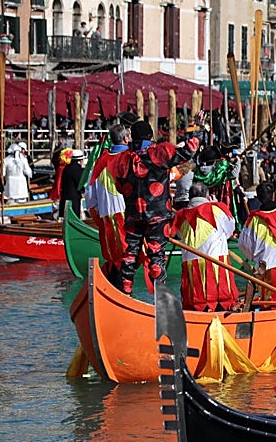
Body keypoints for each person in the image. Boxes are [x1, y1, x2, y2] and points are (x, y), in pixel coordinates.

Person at [112, 119, 201, 294]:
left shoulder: (122, 160)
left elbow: (120, 187)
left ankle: (125, 294)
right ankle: (161, 298)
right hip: (158, 216)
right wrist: (198, 132)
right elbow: (187, 152)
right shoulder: (159, 152)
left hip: (133, 216)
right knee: (156, 257)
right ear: (150, 137)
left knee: (129, 257)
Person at [169, 183, 239, 312]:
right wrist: (217, 204)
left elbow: (178, 234)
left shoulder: (180, 216)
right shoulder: (217, 209)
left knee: (196, 304)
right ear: (207, 195)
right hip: (216, 265)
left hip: (192, 269)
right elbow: (230, 230)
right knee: (221, 302)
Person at [86, 124, 131, 288]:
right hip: (127, 218)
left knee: (113, 260)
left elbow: (90, 198)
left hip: (106, 219)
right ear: (126, 138)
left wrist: (101, 218)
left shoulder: (99, 162)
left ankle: (113, 294)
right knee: (129, 259)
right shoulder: (131, 158)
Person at [59, 149, 86, 220]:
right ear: (80, 160)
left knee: (67, 216)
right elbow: (80, 184)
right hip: (74, 198)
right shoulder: (78, 170)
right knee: (74, 217)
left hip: (65, 197)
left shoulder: (66, 169)